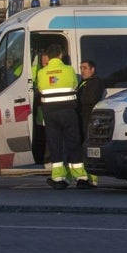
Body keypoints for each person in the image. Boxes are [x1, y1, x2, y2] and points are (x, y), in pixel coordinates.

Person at [36, 43, 90, 190]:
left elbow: (40, 89)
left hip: (50, 114)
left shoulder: (42, 72)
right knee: (73, 143)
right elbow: (74, 84)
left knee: (55, 145)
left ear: (48, 56)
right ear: (60, 55)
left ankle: (58, 179)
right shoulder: (68, 70)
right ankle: (81, 178)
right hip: (68, 112)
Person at [77, 59, 106, 187]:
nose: (82, 71)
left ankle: (92, 178)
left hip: (90, 118)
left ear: (92, 69)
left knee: (90, 148)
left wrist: (76, 98)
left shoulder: (96, 82)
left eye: (84, 68)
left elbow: (91, 99)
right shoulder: (83, 83)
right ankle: (86, 177)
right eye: (81, 68)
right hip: (81, 117)